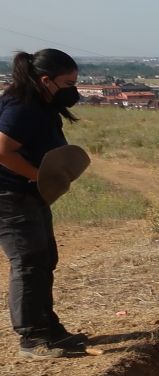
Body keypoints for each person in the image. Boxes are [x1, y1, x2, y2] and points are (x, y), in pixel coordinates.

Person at [0, 49, 87, 359]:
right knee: (28, 262)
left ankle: (48, 328)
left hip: (29, 194)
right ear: (45, 80)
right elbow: (3, 151)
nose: (72, 90)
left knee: (44, 258)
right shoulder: (21, 109)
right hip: (9, 196)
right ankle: (32, 338)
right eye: (68, 83)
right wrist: (39, 176)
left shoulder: (41, 104)